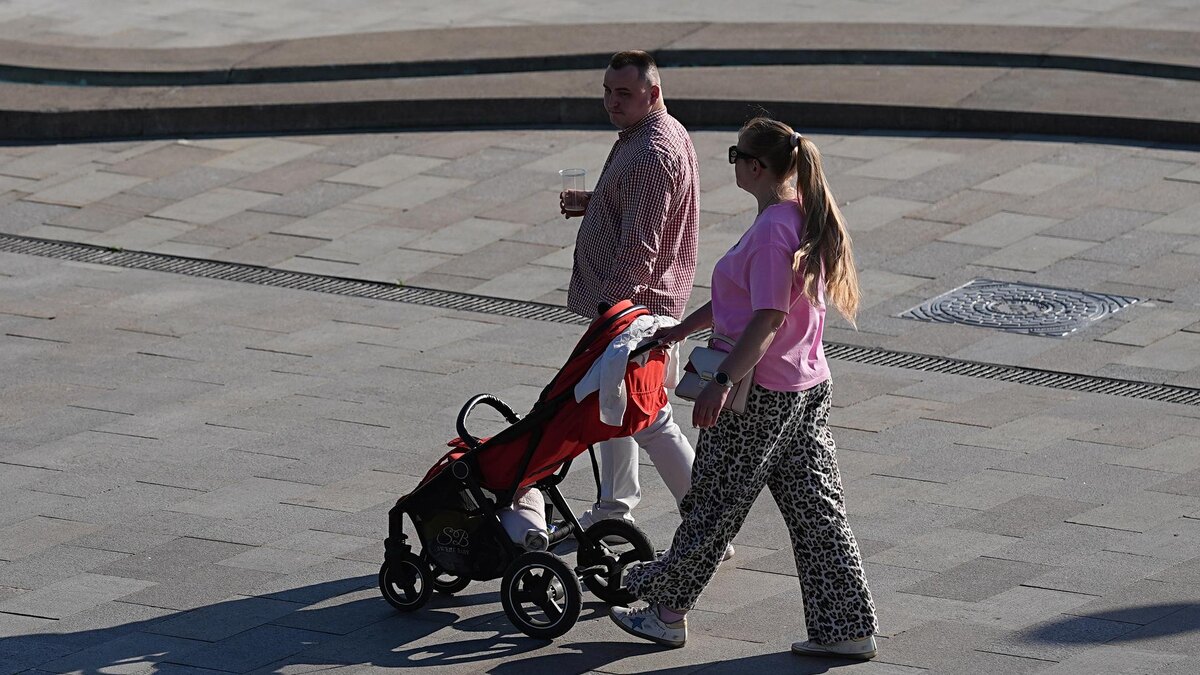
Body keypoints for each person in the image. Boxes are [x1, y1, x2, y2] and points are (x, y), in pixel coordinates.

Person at [609, 117, 879, 660]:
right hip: (806, 387)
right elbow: (747, 303)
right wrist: (681, 330)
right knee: (817, 511)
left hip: (760, 394)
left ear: (755, 167)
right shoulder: (800, 215)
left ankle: (666, 615)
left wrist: (723, 382)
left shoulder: (775, 230)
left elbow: (768, 318)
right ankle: (846, 627)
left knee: (712, 506)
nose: (732, 163)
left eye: (735, 154)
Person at [559, 50, 714, 549]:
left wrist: (612, 311)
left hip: (635, 307)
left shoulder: (651, 151)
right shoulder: (654, 134)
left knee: (649, 417)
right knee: (618, 402)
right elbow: (644, 212)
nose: (610, 102)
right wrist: (596, 202)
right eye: (606, 90)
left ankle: (711, 522)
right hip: (637, 304)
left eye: (622, 93)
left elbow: (642, 245)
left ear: (653, 92)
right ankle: (613, 506)